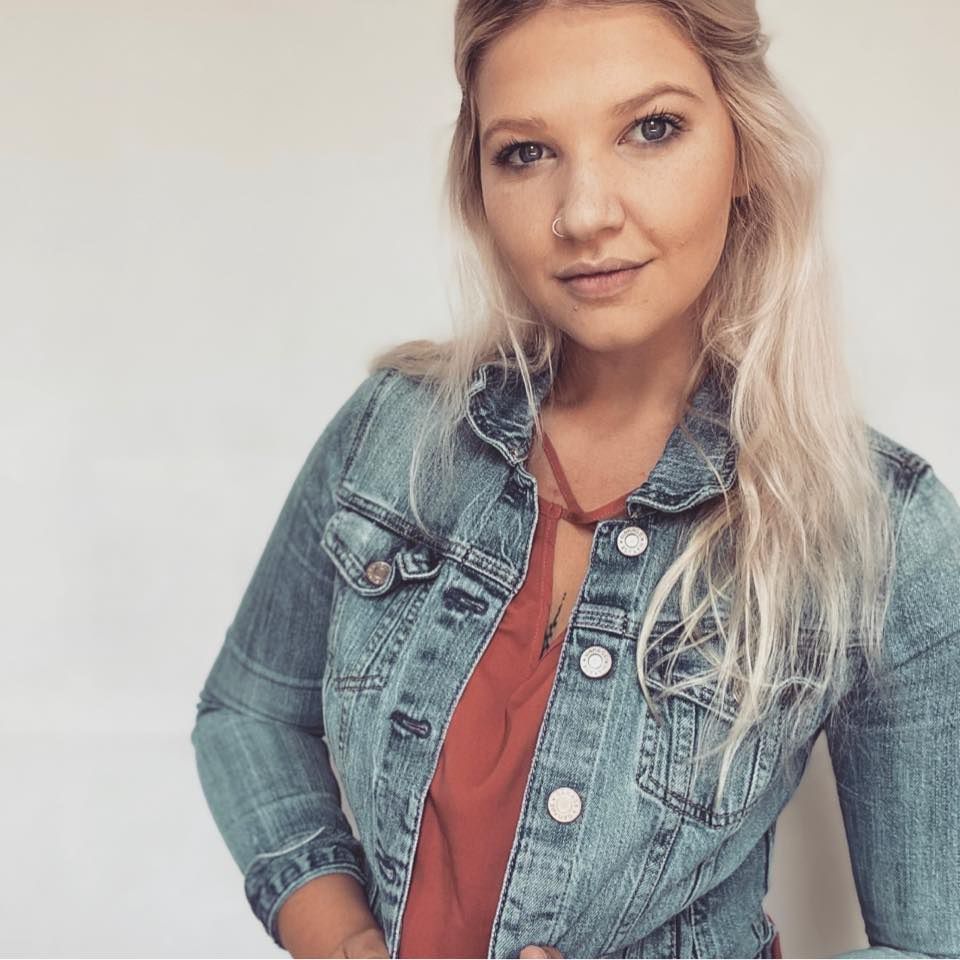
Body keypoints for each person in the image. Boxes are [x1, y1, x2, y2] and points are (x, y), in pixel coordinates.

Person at [190, 1, 960, 958]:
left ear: (746, 149)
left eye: (652, 129)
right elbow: (249, 713)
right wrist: (339, 936)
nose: (584, 213)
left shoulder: (884, 532)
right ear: (477, 183)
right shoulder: (395, 430)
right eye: (526, 152)